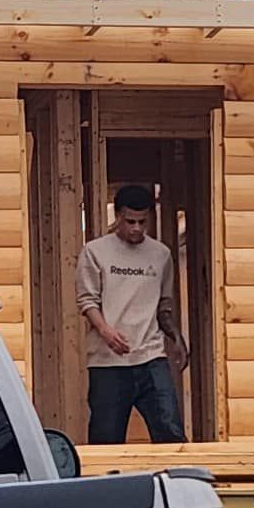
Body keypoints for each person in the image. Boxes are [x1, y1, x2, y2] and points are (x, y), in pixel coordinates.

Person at [75, 184, 189, 444]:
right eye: (130, 221)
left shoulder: (161, 255)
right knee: (106, 439)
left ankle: (178, 484)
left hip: (151, 357)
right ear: (118, 216)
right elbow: (86, 301)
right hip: (108, 363)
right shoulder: (95, 252)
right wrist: (106, 332)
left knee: (171, 434)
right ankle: (105, 486)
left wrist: (176, 337)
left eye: (142, 222)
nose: (136, 228)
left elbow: (164, 305)